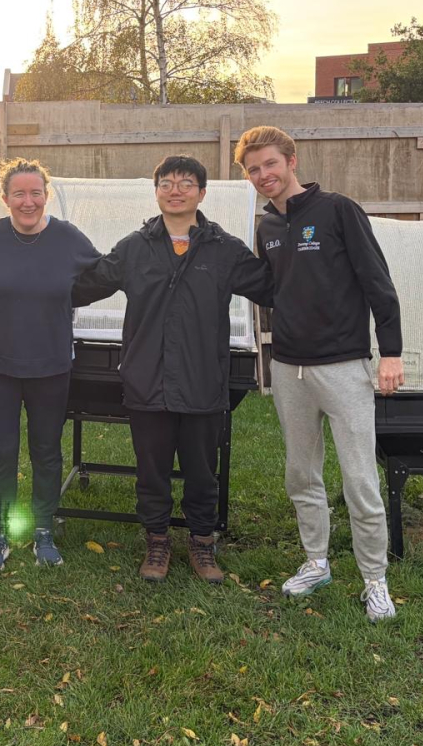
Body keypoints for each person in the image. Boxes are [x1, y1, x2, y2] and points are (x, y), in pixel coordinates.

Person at [72, 155, 273, 584]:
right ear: (156, 190)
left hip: (203, 382)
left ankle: (203, 544)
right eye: (166, 182)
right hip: (148, 380)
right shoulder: (134, 247)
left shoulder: (224, 250)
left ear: (201, 192)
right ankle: (157, 541)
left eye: (186, 183)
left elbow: (273, 286)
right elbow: (85, 285)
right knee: (152, 468)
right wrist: (36, 275)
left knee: (202, 471)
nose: (175, 189)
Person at [235, 125, 403, 623]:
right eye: (252, 170)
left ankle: (375, 580)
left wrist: (389, 353)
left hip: (344, 367)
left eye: (269, 164)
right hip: (290, 368)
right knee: (301, 474)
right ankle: (316, 562)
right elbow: (274, 290)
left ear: (291, 160)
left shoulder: (338, 211)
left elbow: (377, 281)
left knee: (359, 479)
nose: (263, 175)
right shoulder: (266, 228)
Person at [0, 158, 101, 570]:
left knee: (47, 451)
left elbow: (105, 276)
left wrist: (65, 297)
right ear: (4, 198)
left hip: (51, 365)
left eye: (35, 193)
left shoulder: (68, 238)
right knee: (2, 452)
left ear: (46, 195)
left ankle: (43, 531)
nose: (28, 202)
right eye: (18, 194)